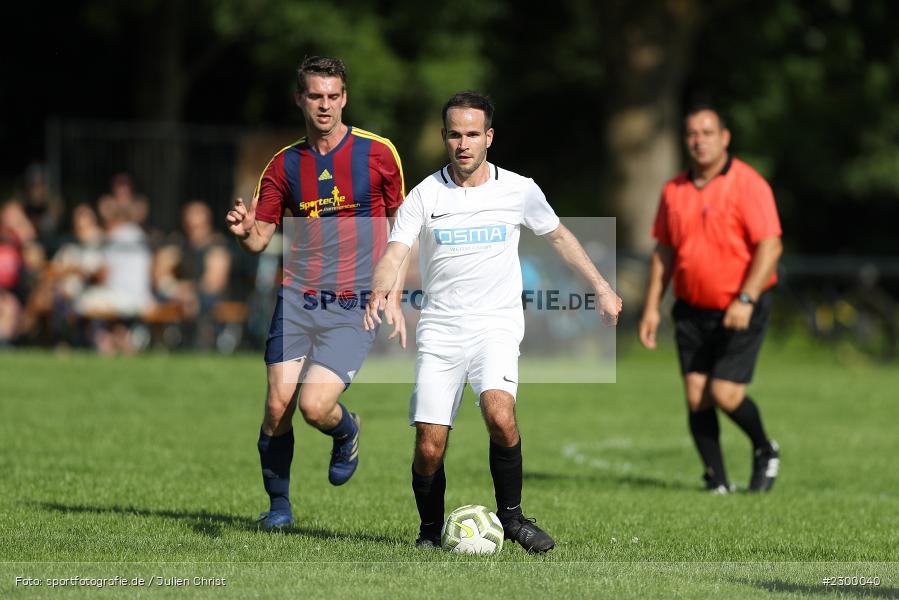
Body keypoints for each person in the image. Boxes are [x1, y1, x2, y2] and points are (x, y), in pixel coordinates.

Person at [364, 91, 622, 553]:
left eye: (472, 135)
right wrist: (382, 288)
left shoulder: (519, 189)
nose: (463, 144)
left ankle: (513, 518)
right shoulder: (425, 194)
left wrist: (601, 286)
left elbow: (559, 237)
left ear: (489, 137)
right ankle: (428, 532)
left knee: (500, 415)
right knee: (429, 446)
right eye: (454, 135)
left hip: (496, 327)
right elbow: (395, 252)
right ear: (445, 137)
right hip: (440, 332)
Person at [226, 56, 408, 531]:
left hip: (353, 303)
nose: (324, 105)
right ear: (300, 99)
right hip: (298, 298)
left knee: (314, 407)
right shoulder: (284, 164)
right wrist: (245, 232)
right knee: (275, 407)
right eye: (315, 96)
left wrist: (394, 291)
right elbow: (261, 237)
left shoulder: (378, 153)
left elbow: (402, 229)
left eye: (332, 96)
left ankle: (346, 430)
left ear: (344, 97)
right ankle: (279, 507)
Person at [638, 103, 783, 494]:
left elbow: (770, 246)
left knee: (724, 393)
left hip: (741, 307)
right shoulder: (674, 190)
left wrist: (746, 298)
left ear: (724, 137)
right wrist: (652, 307)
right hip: (690, 309)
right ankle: (717, 481)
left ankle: (764, 448)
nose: (698, 141)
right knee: (697, 396)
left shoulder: (748, 184)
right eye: (692, 134)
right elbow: (664, 251)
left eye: (707, 133)